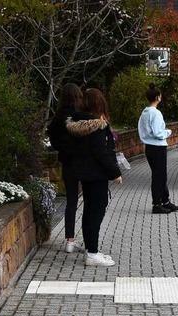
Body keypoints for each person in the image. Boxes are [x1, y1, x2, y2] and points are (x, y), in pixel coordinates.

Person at [66, 88, 122, 267]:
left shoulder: (77, 124)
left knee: (89, 211)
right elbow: (102, 153)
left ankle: (92, 249)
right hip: (97, 175)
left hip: (84, 174)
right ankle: (92, 252)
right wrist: (115, 173)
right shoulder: (97, 126)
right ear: (99, 104)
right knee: (95, 212)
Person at [46, 83, 83, 254]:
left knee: (71, 201)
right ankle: (90, 239)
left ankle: (69, 239)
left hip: (67, 162)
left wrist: (62, 148)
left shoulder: (58, 117)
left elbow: (52, 138)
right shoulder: (79, 116)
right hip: (83, 162)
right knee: (88, 201)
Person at [138, 84, 178, 214]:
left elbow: (143, 130)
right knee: (159, 176)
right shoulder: (155, 113)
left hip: (149, 147)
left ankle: (165, 201)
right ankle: (157, 204)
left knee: (160, 175)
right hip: (158, 147)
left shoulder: (144, 113)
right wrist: (167, 132)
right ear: (157, 97)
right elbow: (157, 132)